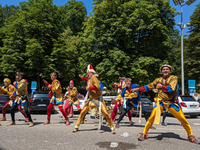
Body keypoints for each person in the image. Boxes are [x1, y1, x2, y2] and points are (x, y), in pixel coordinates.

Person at [132, 64, 199, 144]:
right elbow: (149, 86)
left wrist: (161, 86)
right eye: (163, 69)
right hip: (160, 102)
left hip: (171, 103)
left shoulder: (174, 78)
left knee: (183, 119)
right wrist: (138, 89)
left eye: (167, 69)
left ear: (170, 71)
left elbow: (171, 89)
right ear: (161, 71)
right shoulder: (158, 79)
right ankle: (144, 133)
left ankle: (190, 136)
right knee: (151, 118)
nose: (165, 70)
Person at [72, 64, 115, 134]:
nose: (87, 74)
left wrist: (89, 88)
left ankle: (112, 128)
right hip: (91, 100)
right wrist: (82, 78)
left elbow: (97, 86)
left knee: (106, 114)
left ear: (92, 73)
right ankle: (76, 126)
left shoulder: (94, 77)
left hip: (98, 100)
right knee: (82, 112)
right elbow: (87, 80)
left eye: (89, 73)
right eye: (87, 73)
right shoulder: (90, 80)